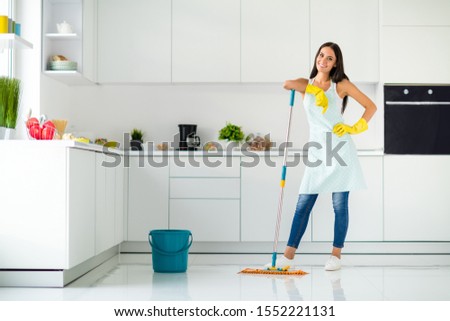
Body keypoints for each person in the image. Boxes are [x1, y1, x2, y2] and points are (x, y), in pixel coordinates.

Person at [266, 42, 377, 271]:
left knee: (339, 205)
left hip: (340, 150)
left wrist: (353, 128)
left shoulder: (341, 84)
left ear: (336, 63)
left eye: (329, 58)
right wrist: (315, 90)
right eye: (321, 55)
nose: (323, 61)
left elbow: (371, 106)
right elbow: (286, 84)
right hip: (318, 151)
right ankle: (287, 257)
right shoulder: (305, 85)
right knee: (303, 204)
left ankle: (335, 256)